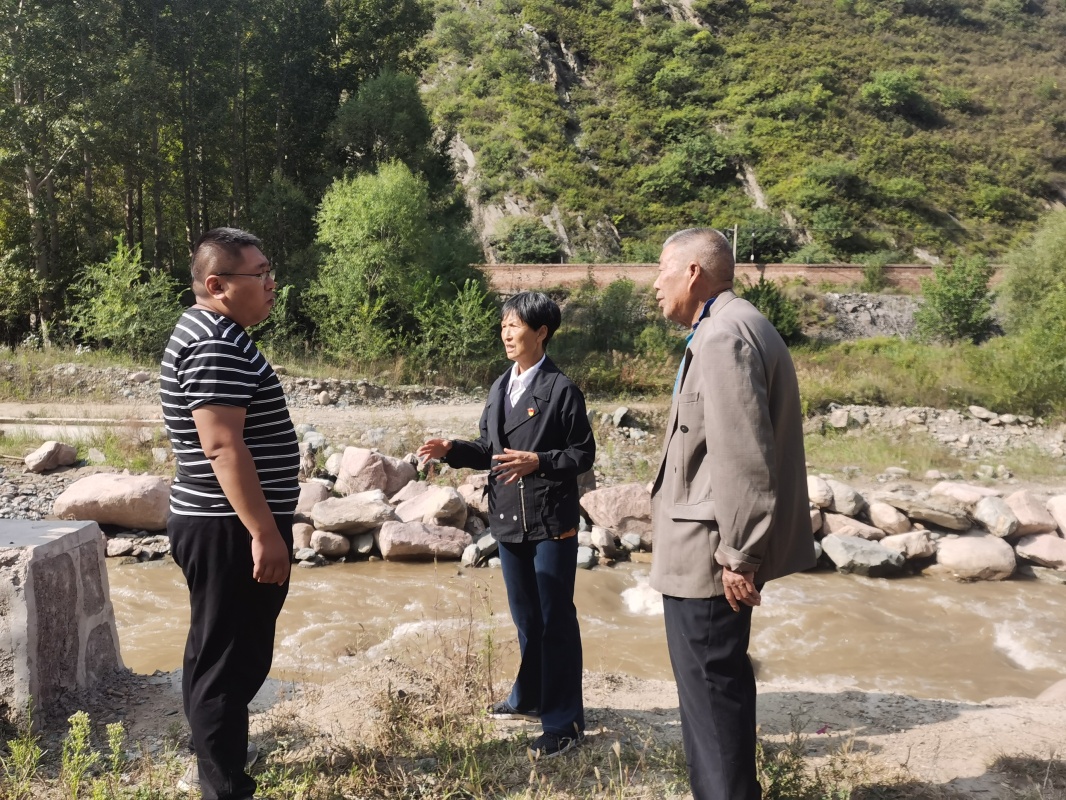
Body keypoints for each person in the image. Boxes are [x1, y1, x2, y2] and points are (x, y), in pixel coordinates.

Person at [649, 228, 815, 800]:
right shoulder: (740, 324)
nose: (655, 284)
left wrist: (740, 554)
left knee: (711, 704)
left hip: (709, 559)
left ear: (694, 272)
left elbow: (744, 456)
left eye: (662, 269)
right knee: (720, 695)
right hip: (711, 552)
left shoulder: (723, 336)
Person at [417, 291, 595, 758]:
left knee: (556, 621)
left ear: (542, 333)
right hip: (509, 519)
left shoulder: (561, 390)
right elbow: (489, 450)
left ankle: (564, 723)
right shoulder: (501, 386)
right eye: (503, 326)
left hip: (550, 519)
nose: (506, 333)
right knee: (527, 618)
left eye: (515, 326)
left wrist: (540, 461)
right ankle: (529, 697)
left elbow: (582, 454)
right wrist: (452, 450)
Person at [161, 228, 300, 800]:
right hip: (229, 525)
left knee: (216, 650)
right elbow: (222, 446)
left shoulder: (215, 333)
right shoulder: (214, 342)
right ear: (217, 285)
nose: (271, 284)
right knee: (230, 658)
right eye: (259, 274)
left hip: (222, 521)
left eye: (270, 272)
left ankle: (216, 762)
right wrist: (264, 532)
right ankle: (223, 786)